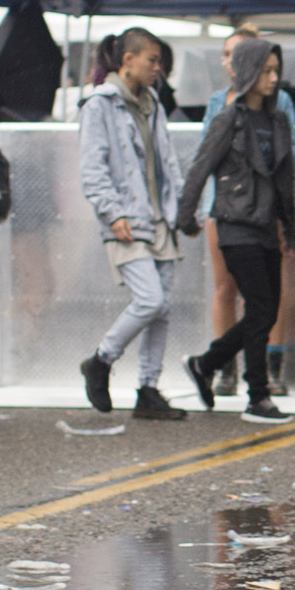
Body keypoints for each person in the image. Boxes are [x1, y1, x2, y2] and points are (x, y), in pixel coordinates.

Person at [176, 36, 295, 426]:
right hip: (235, 223)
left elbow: (285, 179)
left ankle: (206, 362)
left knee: (265, 310)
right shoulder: (228, 118)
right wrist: (186, 216)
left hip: (266, 225)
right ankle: (257, 396)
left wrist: (289, 227)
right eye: (266, 71)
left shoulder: (276, 119)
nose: (273, 78)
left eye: (276, 71)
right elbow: (200, 167)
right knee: (260, 308)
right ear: (248, 72)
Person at [76, 27, 187, 419]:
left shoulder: (151, 101)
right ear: (128, 60)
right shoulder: (100, 104)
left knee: (164, 307)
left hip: (160, 217)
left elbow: (166, 160)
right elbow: (93, 168)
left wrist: (182, 207)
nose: (158, 69)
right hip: (127, 218)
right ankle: (101, 360)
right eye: (152, 60)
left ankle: (148, 389)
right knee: (150, 299)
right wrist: (112, 212)